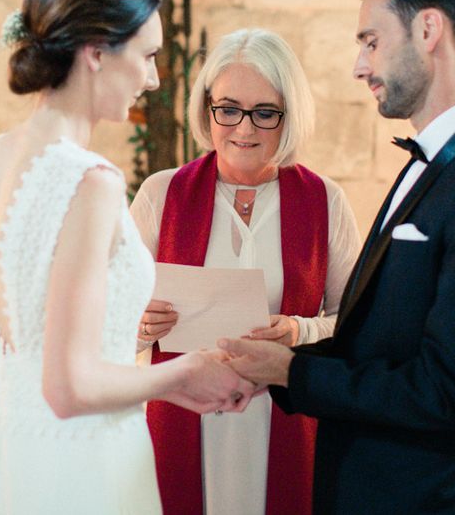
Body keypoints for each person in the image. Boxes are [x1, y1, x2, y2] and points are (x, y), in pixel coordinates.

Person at [220, 0, 455, 514]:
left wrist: (295, 372)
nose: (358, 65)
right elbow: (383, 345)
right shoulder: (430, 165)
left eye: (371, 42)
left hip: (430, 498)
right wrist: (283, 360)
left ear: (427, 30)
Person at [0, 0, 253, 515]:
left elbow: (49, 361)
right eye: (146, 56)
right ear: (97, 52)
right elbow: (70, 388)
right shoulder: (89, 182)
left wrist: (171, 388)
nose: (154, 78)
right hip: (86, 465)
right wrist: (186, 367)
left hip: (20, 456)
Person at [130, 28, 361, 515]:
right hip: (181, 419)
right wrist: (140, 325)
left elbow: (357, 327)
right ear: (207, 107)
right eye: (228, 109)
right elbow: (103, 327)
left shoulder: (325, 202)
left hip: (282, 421)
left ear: (289, 114)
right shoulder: (160, 195)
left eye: (265, 113)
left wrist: (299, 330)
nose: (244, 129)